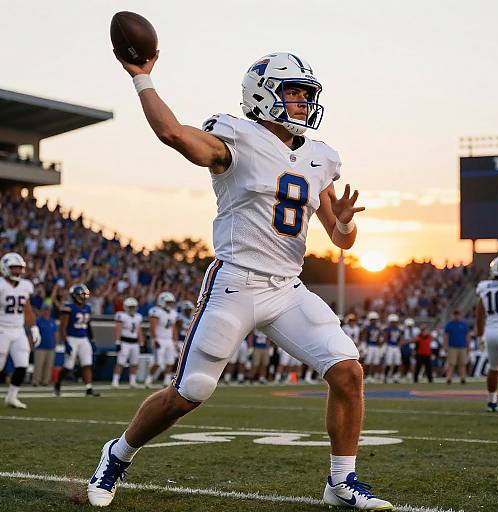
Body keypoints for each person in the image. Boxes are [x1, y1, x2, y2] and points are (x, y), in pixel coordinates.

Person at [87, 50, 392, 511]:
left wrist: (345, 223)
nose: (302, 104)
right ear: (262, 93)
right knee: (190, 393)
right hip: (235, 282)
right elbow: (173, 133)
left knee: (348, 371)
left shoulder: (320, 157)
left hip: (287, 288)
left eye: (306, 95)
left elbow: (340, 238)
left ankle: (341, 481)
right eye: (293, 93)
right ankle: (118, 453)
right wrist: (143, 79)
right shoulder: (235, 134)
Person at [0, 252, 41, 408]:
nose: (17, 271)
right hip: (2, 329)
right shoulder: (1, 285)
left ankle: (12, 396)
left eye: (19, 268)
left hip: (18, 330)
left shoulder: (25, 286)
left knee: (22, 364)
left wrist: (33, 328)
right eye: (14, 268)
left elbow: (27, 309)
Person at [475, 255, 498, 413]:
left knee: (493, 368)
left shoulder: (485, 286)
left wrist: (480, 335)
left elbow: (479, 313)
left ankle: (491, 402)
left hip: (490, 332)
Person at [54, 283, 100, 397]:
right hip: (72, 338)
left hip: (84, 338)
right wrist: (66, 342)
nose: (84, 297)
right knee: (68, 366)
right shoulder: (68, 308)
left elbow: (88, 325)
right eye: (82, 294)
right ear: (75, 295)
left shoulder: (88, 308)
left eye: (85, 294)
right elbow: (62, 327)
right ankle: (57, 383)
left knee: (87, 364)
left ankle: (89, 388)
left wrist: (92, 340)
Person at [144, 292, 178, 388]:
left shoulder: (173, 313)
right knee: (157, 362)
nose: (170, 304)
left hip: (169, 339)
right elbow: (152, 327)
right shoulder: (156, 311)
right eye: (168, 302)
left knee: (170, 361)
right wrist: (154, 339)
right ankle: (149, 379)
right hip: (159, 339)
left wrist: (175, 341)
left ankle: (166, 381)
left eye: (171, 302)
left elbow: (173, 328)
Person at [112, 297, 144, 388]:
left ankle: (132, 381)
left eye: (133, 307)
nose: (132, 309)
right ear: (125, 307)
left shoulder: (138, 317)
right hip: (124, 342)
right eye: (130, 307)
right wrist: (117, 342)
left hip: (135, 343)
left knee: (134, 363)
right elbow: (118, 329)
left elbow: (139, 330)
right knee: (120, 362)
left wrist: (141, 343)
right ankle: (115, 381)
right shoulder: (121, 316)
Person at [32, 304, 58, 386]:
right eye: (45, 310)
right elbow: (33, 333)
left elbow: (55, 333)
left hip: (51, 347)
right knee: (38, 365)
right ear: (42, 311)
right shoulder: (37, 321)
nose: (47, 312)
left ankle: (45, 381)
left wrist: (55, 343)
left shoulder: (52, 321)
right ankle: (36, 381)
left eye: (48, 310)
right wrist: (32, 344)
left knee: (49, 365)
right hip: (40, 347)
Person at [444, 309, 470, 384]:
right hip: (452, 346)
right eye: (455, 314)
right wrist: (445, 345)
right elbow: (446, 336)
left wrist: (468, 345)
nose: (456, 316)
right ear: (453, 315)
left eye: (458, 314)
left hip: (462, 346)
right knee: (451, 363)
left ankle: (463, 378)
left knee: (462, 363)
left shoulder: (464, 324)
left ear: (460, 315)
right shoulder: (449, 325)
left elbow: (467, 336)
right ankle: (449, 378)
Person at [361, 311, 382, 383]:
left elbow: (379, 338)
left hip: (376, 346)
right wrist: (364, 347)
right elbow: (364, 337)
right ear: (370, 320)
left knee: (376, 362)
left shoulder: (378, 328)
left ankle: (372, 376)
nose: (374, 321)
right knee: (367, 362)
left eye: (375, 319)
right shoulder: (367, 327)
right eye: (372, 319)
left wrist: (380, 346)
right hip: (369, 346)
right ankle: (366, 376)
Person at [382, 314, 402, 383]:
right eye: (392, 322)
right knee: (388, 362)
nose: (394, 323)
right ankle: (385, 376)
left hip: (396, 347)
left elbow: (400, 338)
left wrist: (399, 344)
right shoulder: (387, 329)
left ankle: (395, 377)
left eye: (395, 322)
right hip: (389, 346)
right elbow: (385, 338)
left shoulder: (399, 329)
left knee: (397, 362)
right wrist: (385, 345)